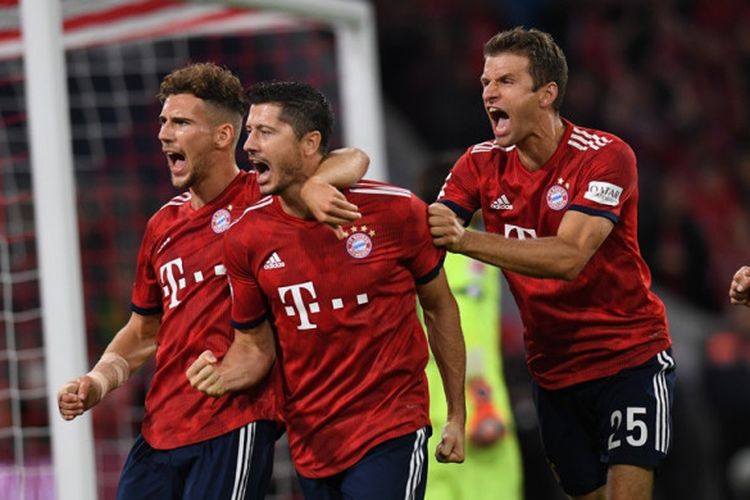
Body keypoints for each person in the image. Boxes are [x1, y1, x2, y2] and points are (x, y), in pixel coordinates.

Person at [56, 62, 369, 500]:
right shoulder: (161, 225)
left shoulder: (264, 198)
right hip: (160, 429)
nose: (165, 134)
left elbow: (354, 159)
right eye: (163, 122)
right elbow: (145, 330)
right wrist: (98, 381)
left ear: (224, 136)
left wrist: (317, 183)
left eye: (181, 122)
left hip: (235, 421)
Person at [186, 80, 466, 500]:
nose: (249, 145)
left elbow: (441, 308)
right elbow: (255, 346)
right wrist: (223, 373)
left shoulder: (396, 211)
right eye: (249, 132)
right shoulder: (246, 237)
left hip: (390, 425)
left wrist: (456, 414)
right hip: (312, 442)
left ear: (309, 143)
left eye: (265, 132)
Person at [428, 27, 675, 500]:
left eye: (505, 81)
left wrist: (466, 240)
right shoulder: (478, 164)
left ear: (547, 94)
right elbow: (429, 234)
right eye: (485, 82)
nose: (488, 93)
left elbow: (569, 257)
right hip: (552, 370)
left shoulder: (605, 156)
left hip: (629, 358)